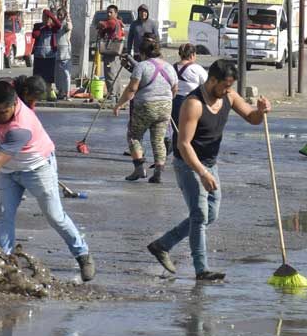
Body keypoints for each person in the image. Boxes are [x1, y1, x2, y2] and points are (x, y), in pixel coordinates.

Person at [0, 79, 96, 282]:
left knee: (55, 216)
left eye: (1, 113)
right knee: (4, 215)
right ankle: (5, 263)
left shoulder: (21, 126)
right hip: (9, 170)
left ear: (14, 104)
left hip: (37, 167)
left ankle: (82, 254)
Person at [147, 60, 271, 281]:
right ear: (212, 80)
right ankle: (201, 269)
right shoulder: (193, 103)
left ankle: (162, 245)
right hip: (189, 164)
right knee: (199, 215)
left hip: (210, 163)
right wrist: (202, 173)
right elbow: (183, 145)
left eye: (230, 86)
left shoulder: (229, 97)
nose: (227, 91)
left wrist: (261, 112)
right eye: (224, 86)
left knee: (211, 214)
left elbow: (252, 118)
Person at [114, 35, 177, 183]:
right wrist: (165, 101)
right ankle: (158, 172)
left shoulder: (141, 66)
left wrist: (119, 104)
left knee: (134, 135)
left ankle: (139, 169)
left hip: (145, 106)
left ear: (142, 53)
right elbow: (174, 90)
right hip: (165, 106)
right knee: (158, 139)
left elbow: (131, 89)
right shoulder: (169, 67)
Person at [172, 43, 209, 142]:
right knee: (191, 129)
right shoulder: (197, 68)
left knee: (176, 129)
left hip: (174, 102)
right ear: (192, 55)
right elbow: (207, 84)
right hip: (191, 103)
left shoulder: (172, 67)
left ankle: (177, 152)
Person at [97, 5, 125, 97]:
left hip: (110, 52)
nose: (108, 14)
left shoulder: (111, 22)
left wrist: (101, 26)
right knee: (116, 74)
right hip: (117, 52)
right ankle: (117, 94)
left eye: (111, 12)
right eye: (107, 12)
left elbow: (100, 24)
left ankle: (112, 95)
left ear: (116, 14)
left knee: (109, 74)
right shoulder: (119, 23)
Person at [31, 9, 61, 92]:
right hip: (39, 55)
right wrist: (42, 27)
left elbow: (59, 25)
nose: (45, 19)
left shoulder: (53, 27)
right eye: (44, 17)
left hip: (50, 55)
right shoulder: (38, 26)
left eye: (47, 18)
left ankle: (48, 92)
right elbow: (34, 35)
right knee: (38, 76)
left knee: (49, 77)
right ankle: (38, 92)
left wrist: (51, 16)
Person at [55, 7, 72, 100]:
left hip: (65, 50)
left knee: (66, 73)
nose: (59, 16)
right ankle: (60, 91)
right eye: (58, 15)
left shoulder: (66, 24)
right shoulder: (57, 25)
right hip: (57, 50)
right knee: (58, 73)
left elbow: (69, 27)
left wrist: (68, 18)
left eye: (61, 15)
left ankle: (67, 92)